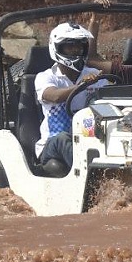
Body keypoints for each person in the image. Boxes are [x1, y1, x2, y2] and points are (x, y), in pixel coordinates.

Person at [35, 22, 106, 176]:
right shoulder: (46, 77)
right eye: (70, 47)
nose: (76, 51)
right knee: (63, 138)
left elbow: (112, 99)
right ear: (57, 48)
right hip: (51, 145)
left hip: (89, 138)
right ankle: (94, 180)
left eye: (79, 47)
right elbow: (53, 96)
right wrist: (80, 86)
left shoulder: (94, 74)